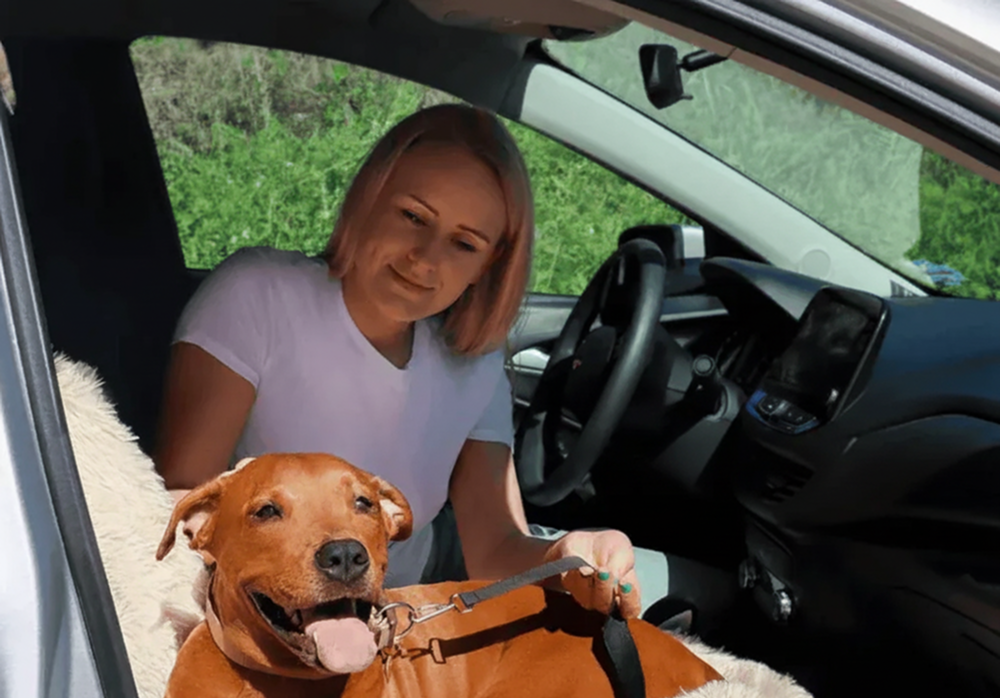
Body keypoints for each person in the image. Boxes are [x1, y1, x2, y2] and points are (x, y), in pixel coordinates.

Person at [154, 103, 670, 619]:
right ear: (368, 199)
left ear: (488, 264)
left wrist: (563, 555)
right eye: (412, 217)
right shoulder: (257, 296)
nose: (424, 258)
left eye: (463, 244)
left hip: (403, 619)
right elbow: (182, 500)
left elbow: (493, 550)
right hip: (267, 612)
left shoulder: (474, 362)